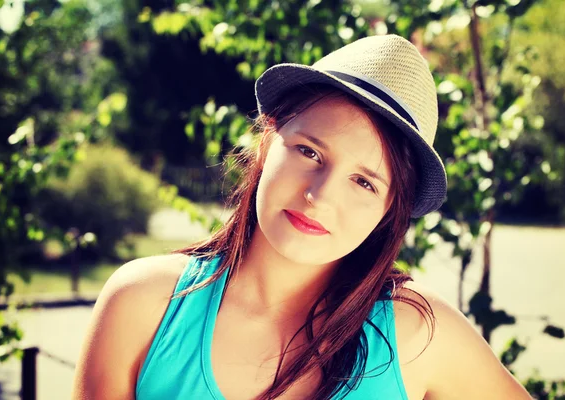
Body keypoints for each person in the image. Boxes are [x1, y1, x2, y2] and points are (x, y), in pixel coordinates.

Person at [72, 35, 531, 400]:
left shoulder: (421, 335)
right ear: (268, 143)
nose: (319, 196)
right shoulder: (143, 305)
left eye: (364, 182)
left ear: (389, 210)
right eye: (309, 151)